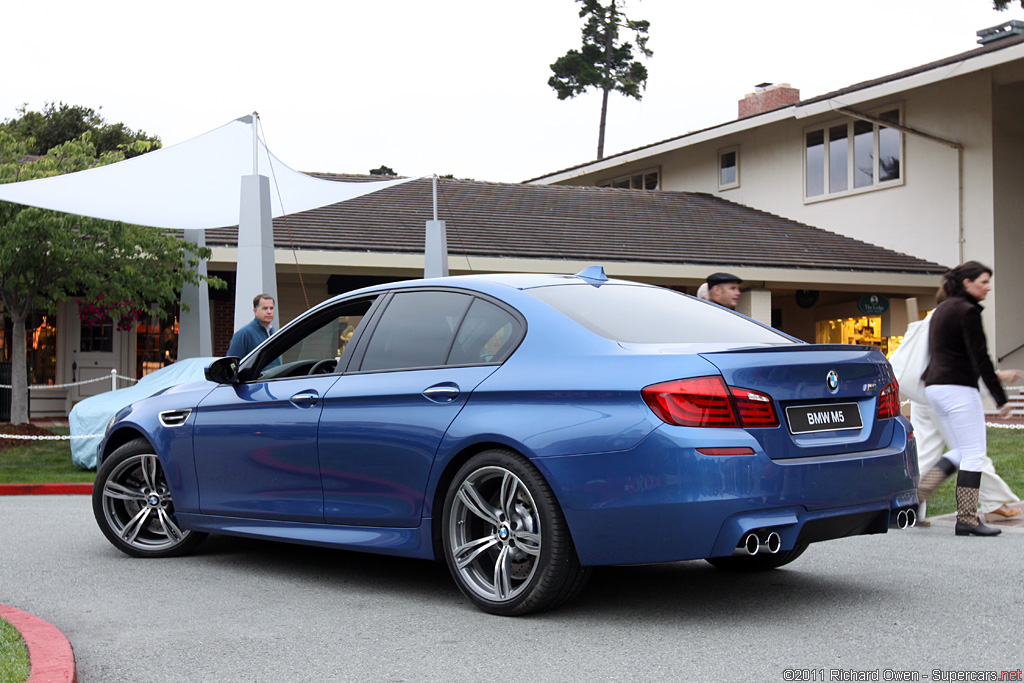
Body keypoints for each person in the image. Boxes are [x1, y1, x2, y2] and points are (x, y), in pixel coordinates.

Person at [890, 311, 1021, 526]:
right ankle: (991, 503)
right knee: (970, 450)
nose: (986, 288)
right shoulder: (959, 315)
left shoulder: (934, 317)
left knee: (925, 453)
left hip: (922, 392)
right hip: (946, 393)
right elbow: (961, 363)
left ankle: (911, 507)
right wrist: (997, 380)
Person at [918, 261, 1020, 536]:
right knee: (974, 454)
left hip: (934, 388)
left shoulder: (942, 309)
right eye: (984, 282)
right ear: (967, 283)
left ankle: (921, 490)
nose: (988, 287)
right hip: (958, 389)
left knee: (962, 451)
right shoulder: (967, 311)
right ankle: (967, 519)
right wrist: (1001, 399)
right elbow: (980, 358)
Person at [227, 293, 276, 359]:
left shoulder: (273, 332)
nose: (269, 312)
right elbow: (233, 363)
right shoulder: (244, 334)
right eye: (265, 308)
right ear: (255, 311)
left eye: (271, 308)